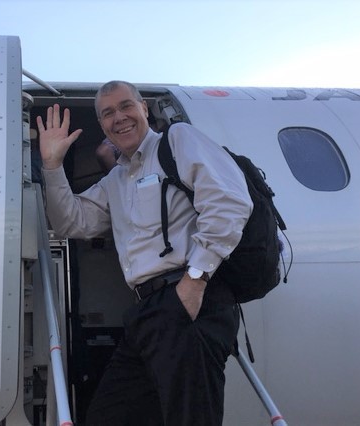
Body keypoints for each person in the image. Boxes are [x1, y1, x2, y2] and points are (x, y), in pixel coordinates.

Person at [36, 81, 253, 426]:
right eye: (107, 113)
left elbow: (229, 201)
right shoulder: (116, 179)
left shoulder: (178, 140)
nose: (118, 118)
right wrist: (52, 165)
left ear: (144, 109)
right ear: (102, 125)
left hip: (189, 298)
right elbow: (70, 223)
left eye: (125, 106)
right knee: (109, 416)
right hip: (147, 312)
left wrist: (195, 281)